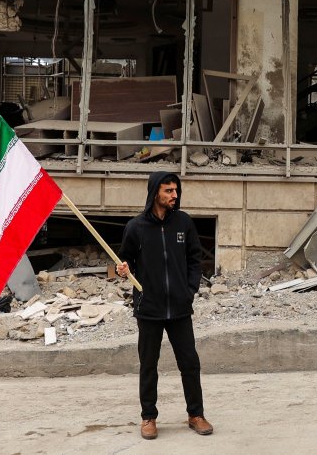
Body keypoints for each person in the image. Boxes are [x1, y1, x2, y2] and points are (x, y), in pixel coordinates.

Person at [116, 172, 212, 440]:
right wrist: (121, 269)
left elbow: (195, 259)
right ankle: (148, 417)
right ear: (155, 193)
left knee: (190, 363)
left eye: (175, 190)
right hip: (149, 309)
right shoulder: (136, 227)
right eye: (168, 191)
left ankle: (196, 414)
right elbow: (124, 261)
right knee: (149, 365)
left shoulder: (184, 223)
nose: (174, 195)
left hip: (180, 309)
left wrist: (190, 290)